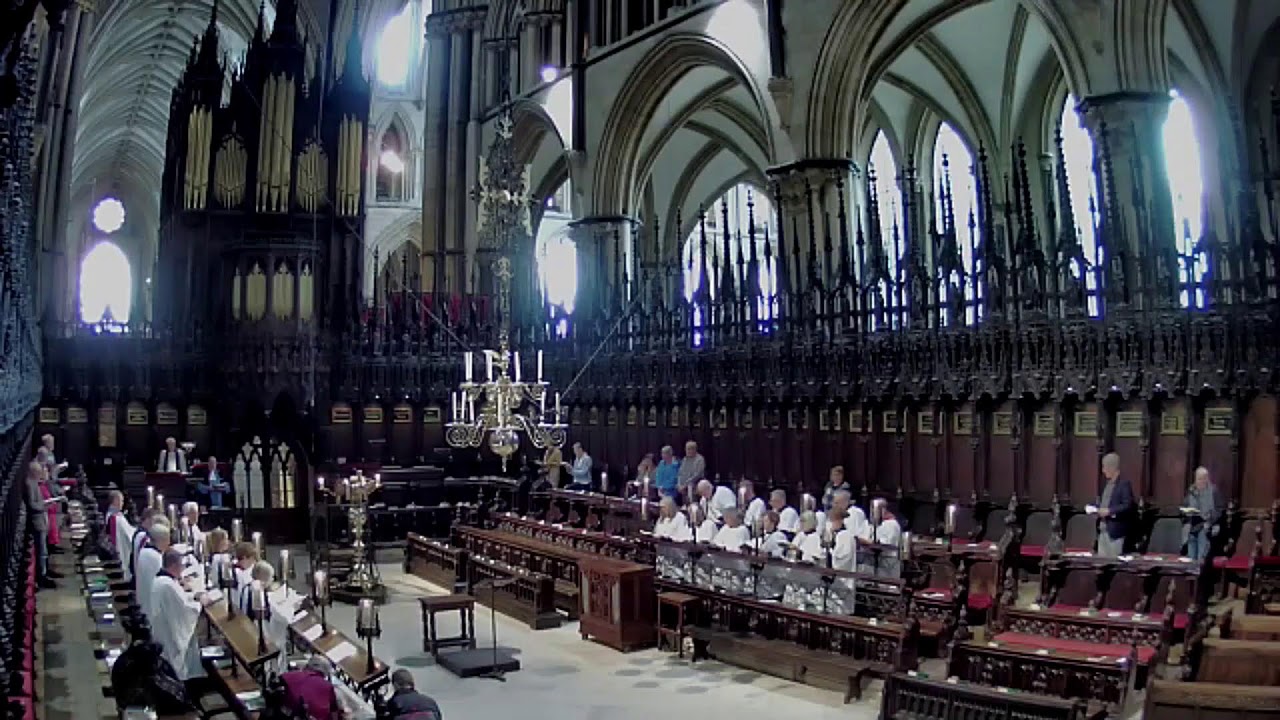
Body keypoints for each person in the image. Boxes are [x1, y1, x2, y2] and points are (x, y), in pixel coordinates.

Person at [151, 548, 208, 681]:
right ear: (173, 566)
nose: (182, 569)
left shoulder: (162, 579)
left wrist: (193, 595)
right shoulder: (167, 585)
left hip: (163, 626)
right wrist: (201, 602)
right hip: (169, 633)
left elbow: (180, 600)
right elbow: (185, 610)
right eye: (181, 565)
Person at [25, 461, 57, 589]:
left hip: (42, 520)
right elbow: (32, 505)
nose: (40, 475)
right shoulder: (29, 484)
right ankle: (42, 577)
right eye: (38, 472)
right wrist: (44, 506)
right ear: (34, 472)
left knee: (44, 552)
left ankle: (44, 573)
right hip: (37, 522)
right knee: (41, 552)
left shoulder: (34, 483)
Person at [281, 655, 343, 720]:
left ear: (308, 665)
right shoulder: (328, 686)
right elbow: (334, 710)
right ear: (325, 672)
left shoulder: (292, 675)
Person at [1096, 452, 1132, 558]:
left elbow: (1127, 505)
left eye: (1105, 467)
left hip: (1115, 533)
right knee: (1101, 564)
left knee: (1113, 564)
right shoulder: (1107, 485)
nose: (1103, 471)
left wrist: (1110, 511)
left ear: (1112, 468)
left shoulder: (1124, 484)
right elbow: (1105, 503)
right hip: (1102, 531)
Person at [136, 523, 172, 621]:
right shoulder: (155, 558)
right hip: (152, 608)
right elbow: (165, 582)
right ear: (161, 540)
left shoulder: (144, 551)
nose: (169, 543)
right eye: (168, 539)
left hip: (143, 600)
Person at [1184, 466, 1218, 560]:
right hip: (1192, 526)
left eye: (1203, 478)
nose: (1201, 481)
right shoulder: (1191, 491)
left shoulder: (1213, 492)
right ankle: (1191, 571)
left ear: (1207, 479)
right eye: (1199, 479)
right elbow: (1185, 506)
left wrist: (1209, 521)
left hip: (1206, 526)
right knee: (1190, 558)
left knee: (1201, 557)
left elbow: (1218, 510)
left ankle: (1200, 570)